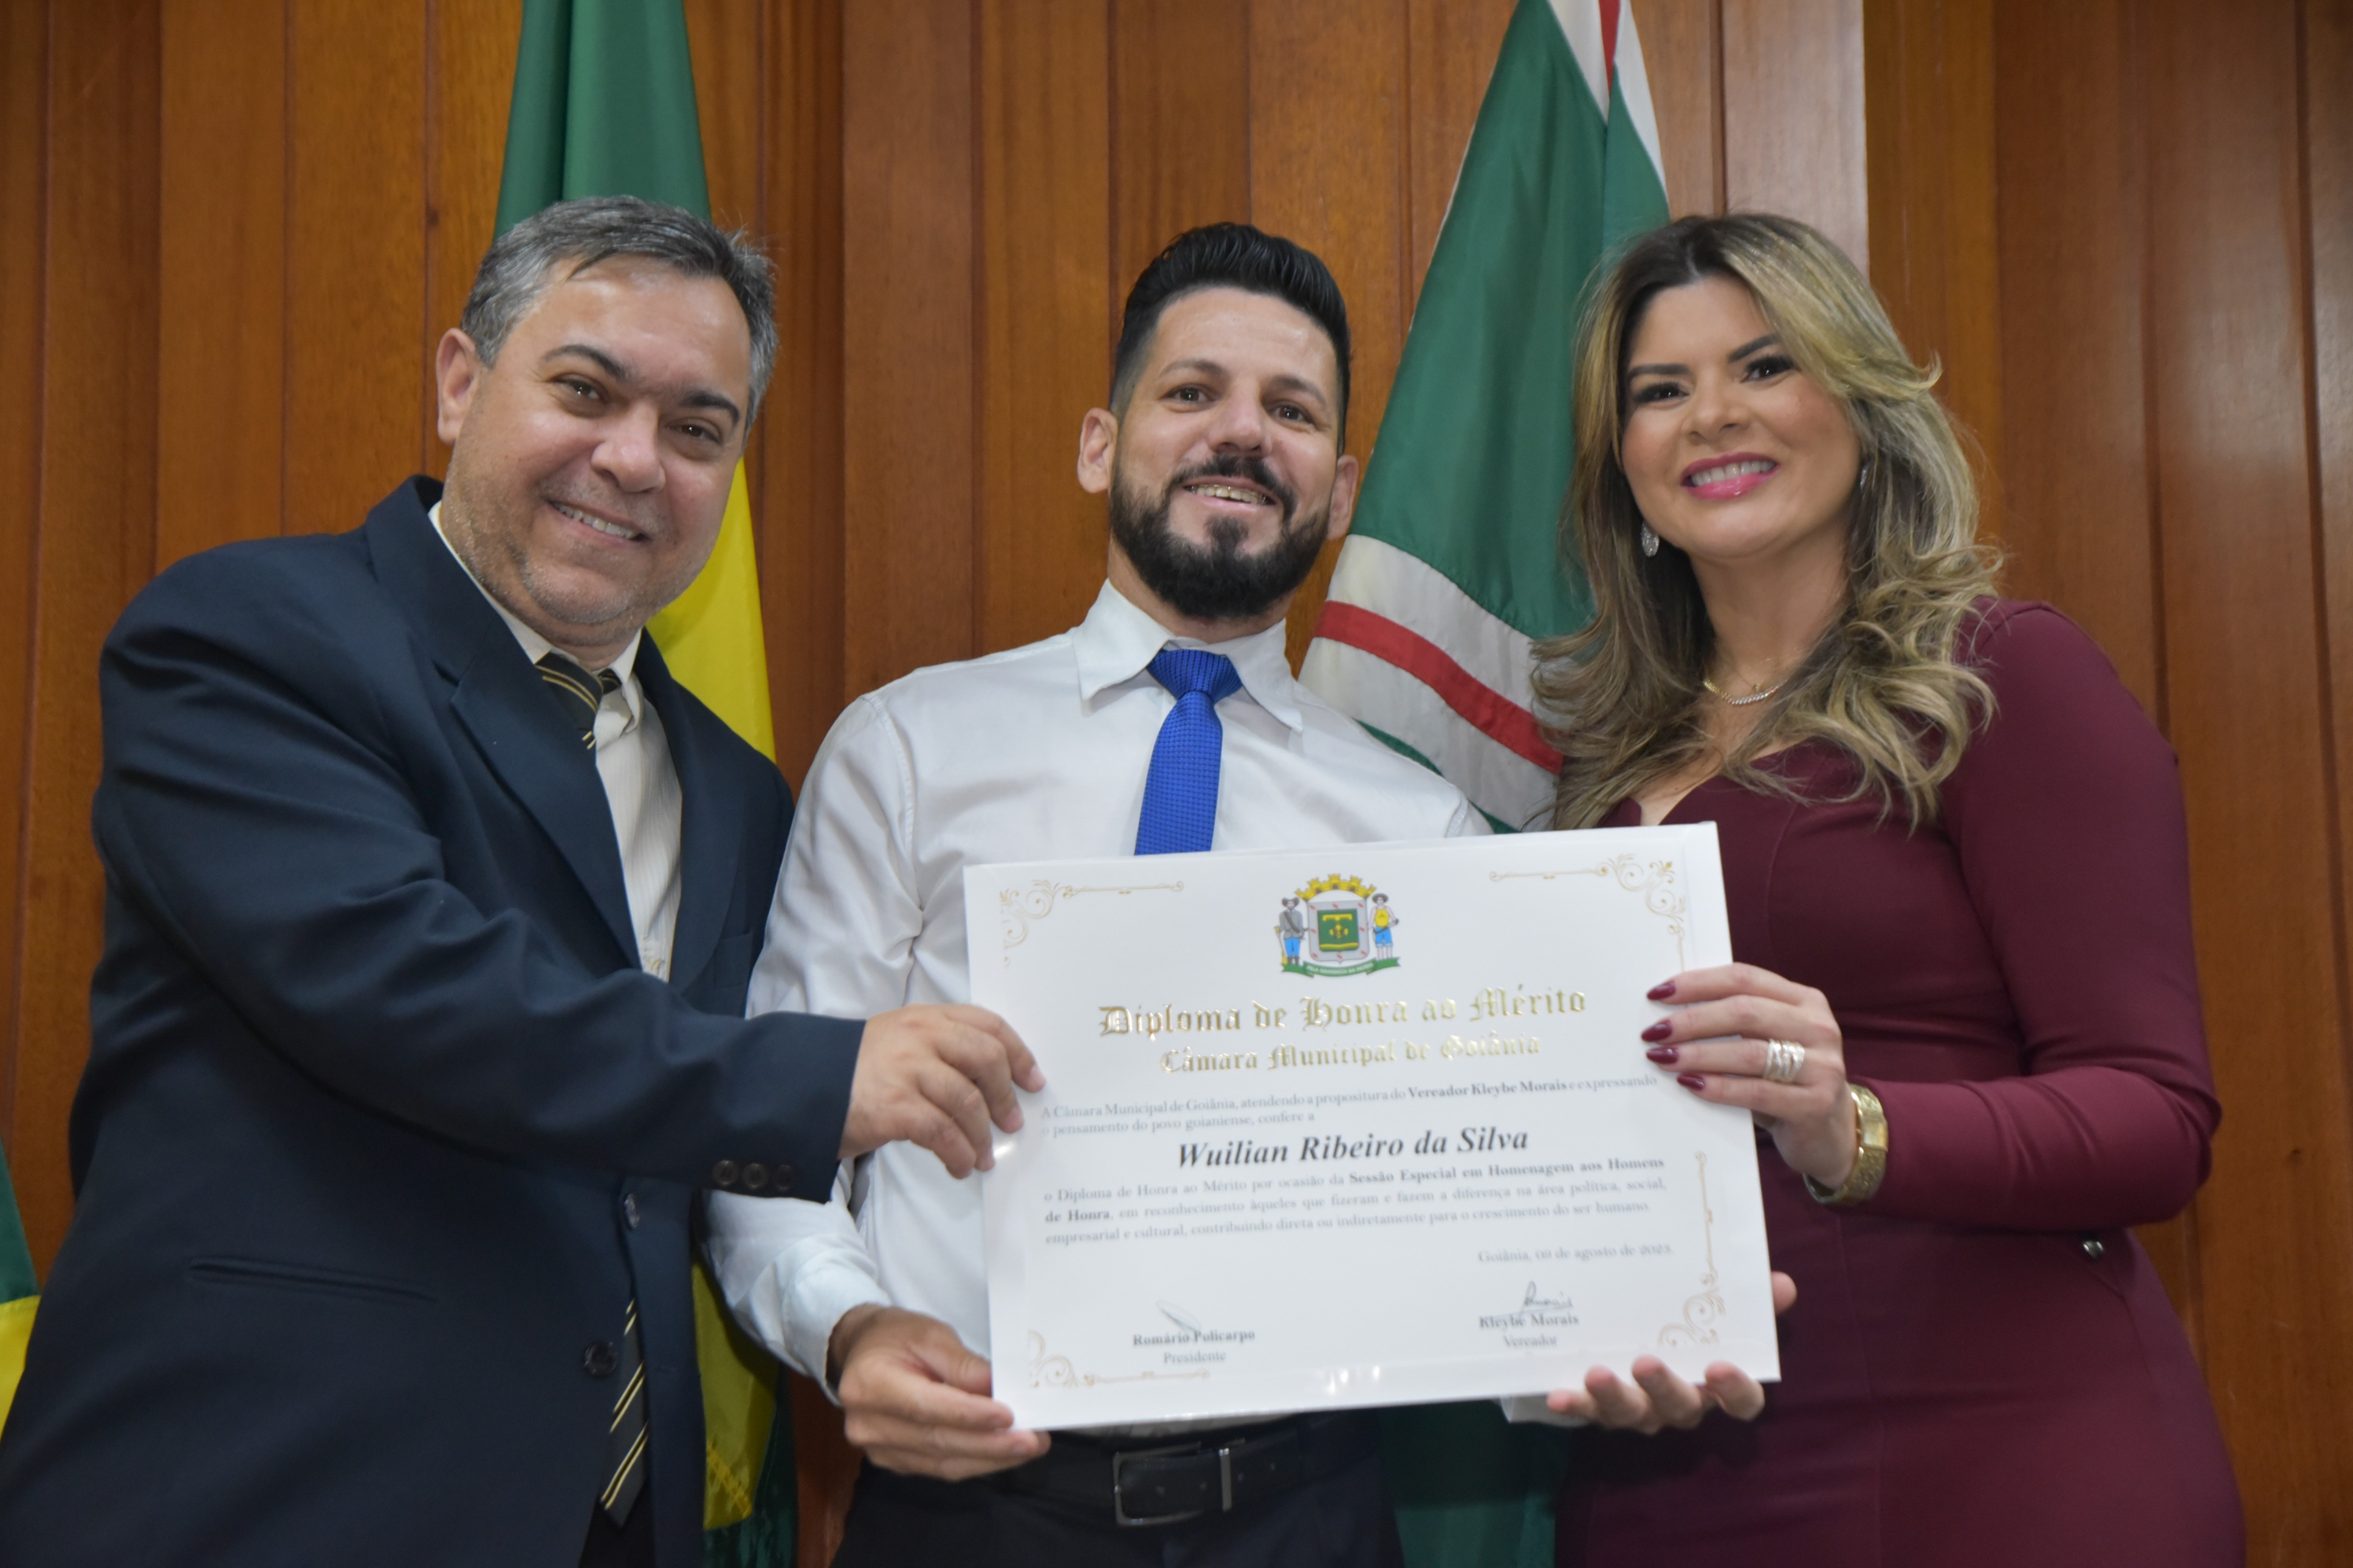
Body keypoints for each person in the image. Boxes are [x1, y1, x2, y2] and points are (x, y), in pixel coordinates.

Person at [709, 224, 1782, 1568]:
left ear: (1338, 490)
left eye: (1291, 410)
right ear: (1100, 446)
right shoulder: (910, 749)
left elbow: (1480, 1205)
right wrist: (850, 1329)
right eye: (1192, 391)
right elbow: (775, 1128)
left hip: (1309, 1513)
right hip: (972, 1513)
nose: (1241, 433)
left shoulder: (1421, 828)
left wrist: (1620, 1323)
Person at [0, 197, 1039, 1568]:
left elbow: (690, 1152)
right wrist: (825, 1073)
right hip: (256, 1496)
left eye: (698, 428)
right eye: (586, 391)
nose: (634, 459)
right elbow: (409, 989)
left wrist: (855, 1325)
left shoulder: (737, 792)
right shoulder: (249, 641)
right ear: (459, 381)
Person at [1528, 212, 2242, 1565]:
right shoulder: (1597, 762)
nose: (1712, 415)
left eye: (1765, 365)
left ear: (1861, 403)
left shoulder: (2001, 679)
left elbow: (2156, 1116)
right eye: (1660, 391)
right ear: (1621, 463)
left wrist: (1852, 1125)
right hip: (1670, 1475)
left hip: (1998, 1463)